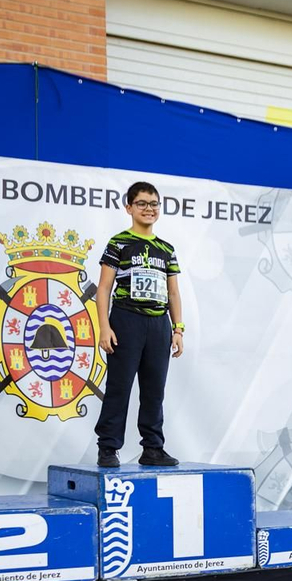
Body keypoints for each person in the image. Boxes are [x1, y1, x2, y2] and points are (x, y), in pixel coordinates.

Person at [95, 181, 186, 468]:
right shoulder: (119, 243)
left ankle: (153, 448)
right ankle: (108, 447)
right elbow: (103, 288)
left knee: (154, 389)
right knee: (119, 386)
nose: (149, 209)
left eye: (154, 204)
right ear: (129, 208)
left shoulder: (166, 249)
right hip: (126, 319)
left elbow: (173, 292)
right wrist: (104, 327)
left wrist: (178, 329)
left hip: (159, 324)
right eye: (142, 204)